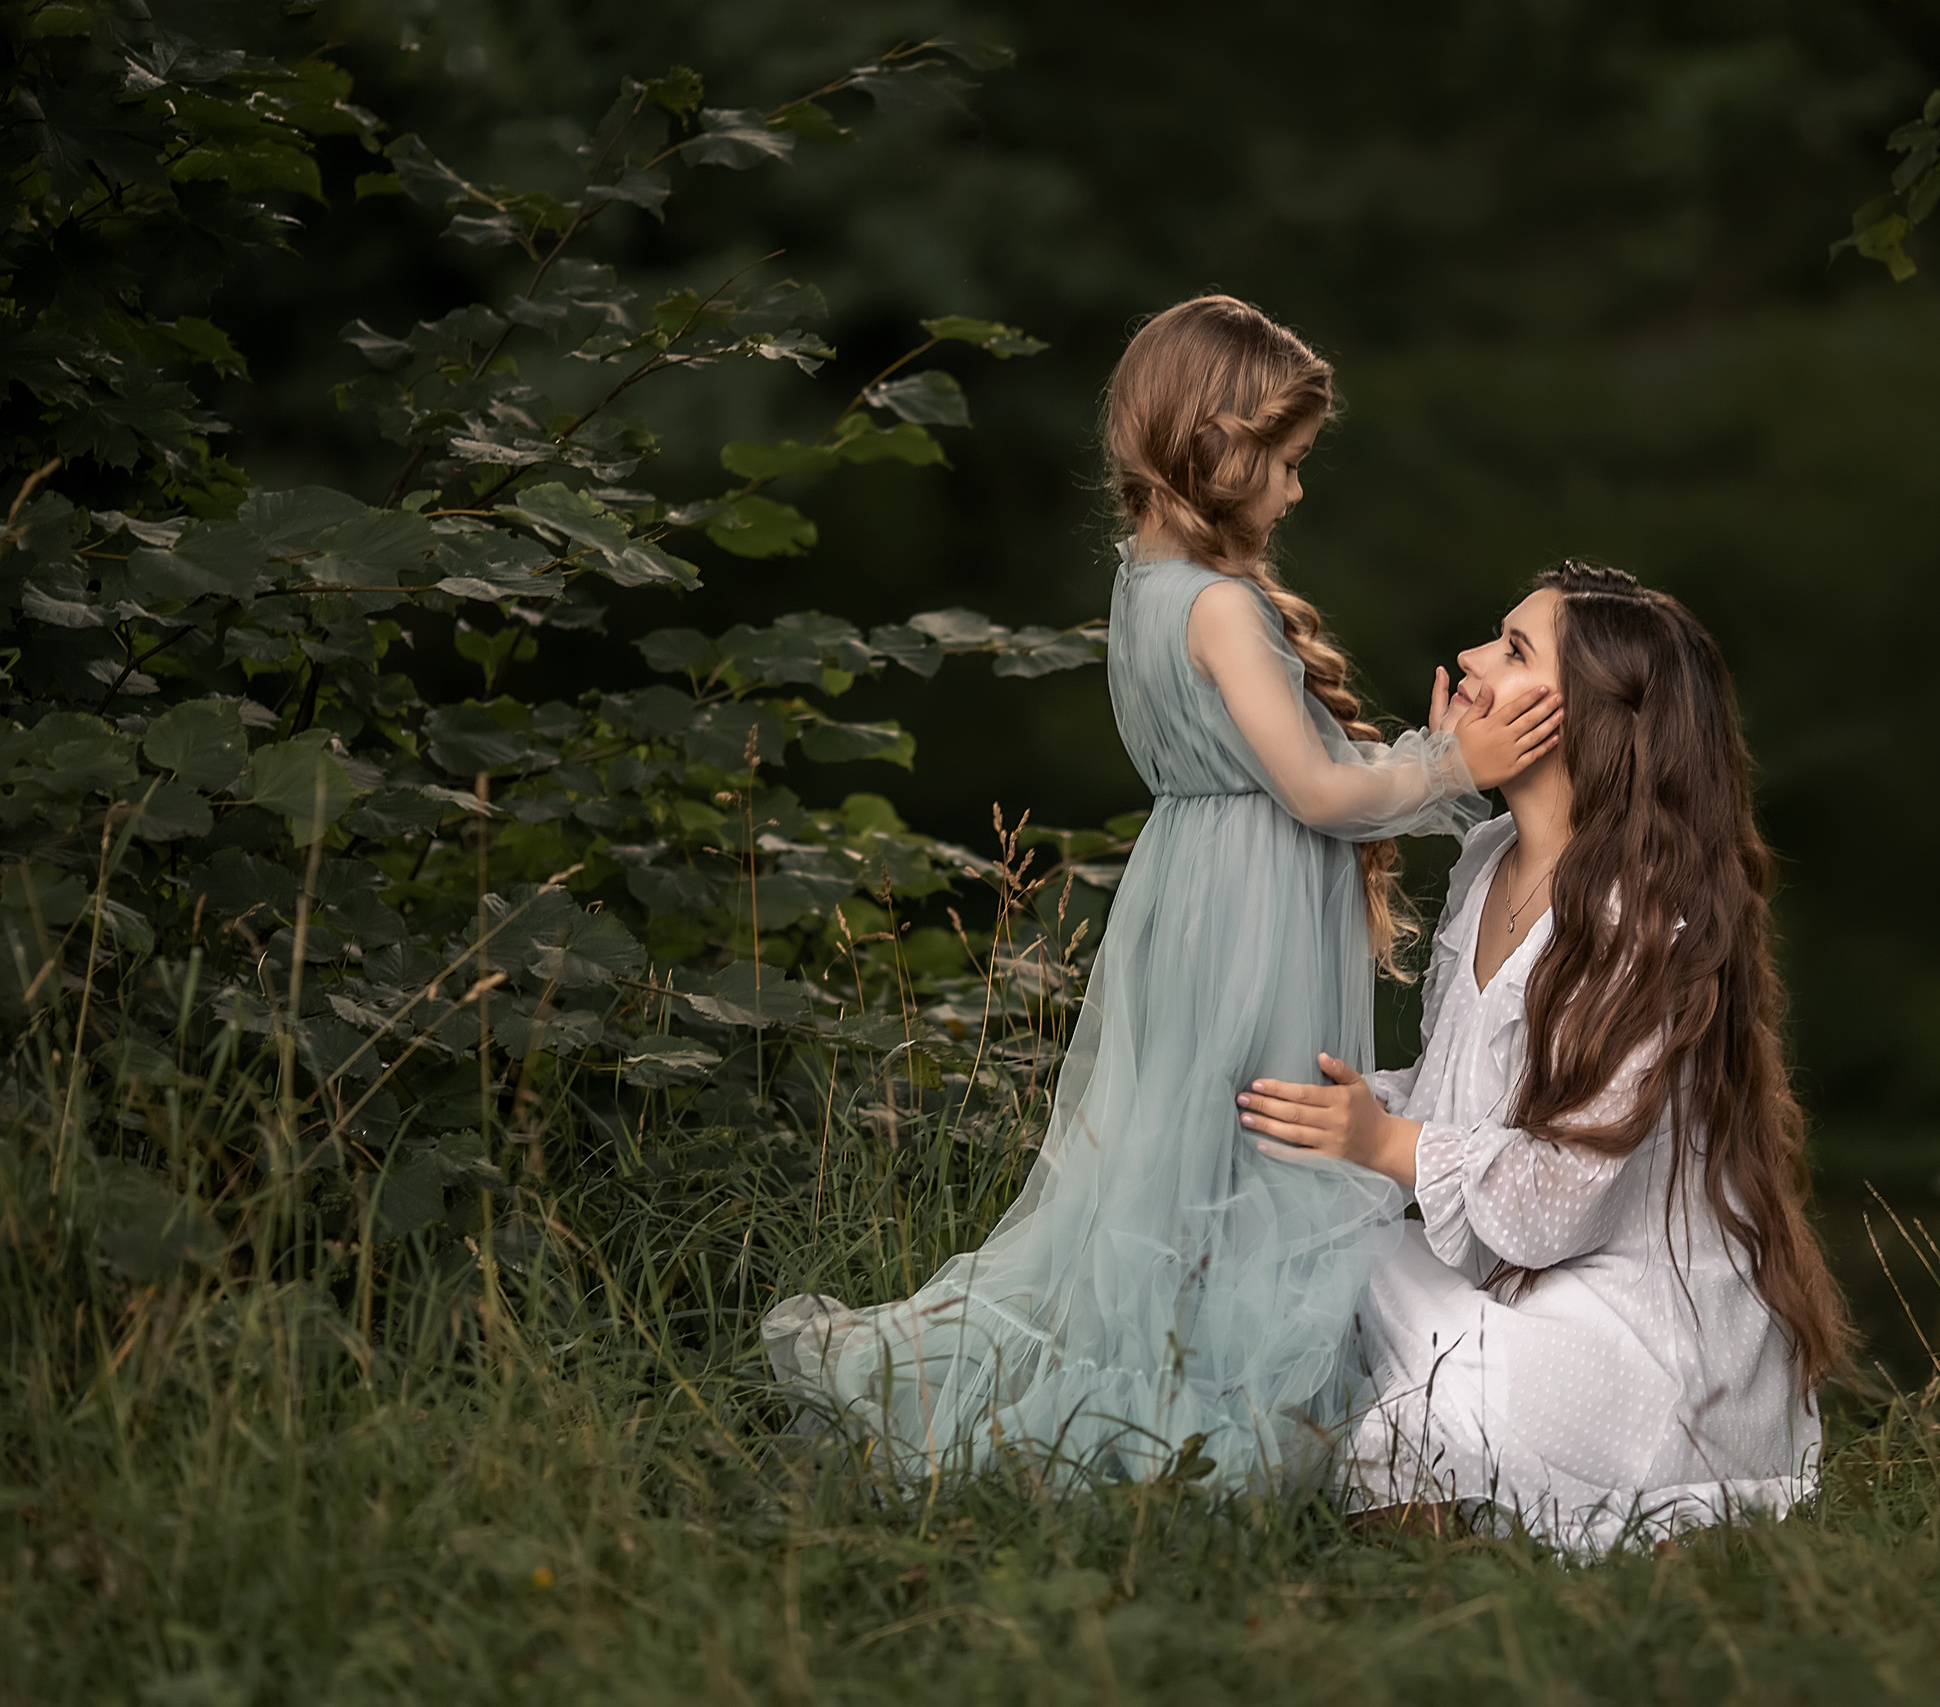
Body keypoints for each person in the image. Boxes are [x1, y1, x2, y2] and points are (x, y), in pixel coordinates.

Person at [763, 296, 1561, 1485]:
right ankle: (1195, 1422)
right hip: (1248, 915)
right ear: (1218, 446)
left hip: (1195, 893)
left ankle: (1191, 1391)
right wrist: (1454, 767)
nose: (1295, 491)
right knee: (1254, 1156)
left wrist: (1423, 758)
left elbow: (1281, 772)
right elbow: (1310, 791)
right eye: (1285, 463)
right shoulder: (1222, 607)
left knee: (1194, 1157)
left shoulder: (1144, 584)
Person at [1238, 562, 1846, 1552]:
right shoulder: (1489, 862)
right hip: (1512, 1289)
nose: (1471, 659)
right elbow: (1460, 1095)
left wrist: (1380, 1142)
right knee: (1294, 1262)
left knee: (1381, 1430)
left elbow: (1555, 1204)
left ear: (1591, 722)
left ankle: (1518, 1501)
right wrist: (1319, 1108)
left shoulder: (1632, 923)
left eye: (1514, 650)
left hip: (1632, 1332)